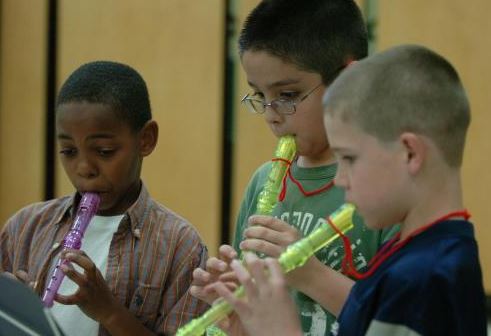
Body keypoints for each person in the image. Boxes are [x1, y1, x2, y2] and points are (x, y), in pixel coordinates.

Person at [212, 44, 487, 336]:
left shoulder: (424, 279)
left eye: (349, 159)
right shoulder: (411, 259)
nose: (340, 179)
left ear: (409, 153)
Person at [191, 0, 397, 334]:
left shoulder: (388, 186)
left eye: (287, 94)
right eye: (259, 95)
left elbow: (397, 324)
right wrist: (238, 312)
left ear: (349, 80)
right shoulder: (263, 183)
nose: (272, 114)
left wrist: (310, 275)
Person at [0, 61, 209, 336]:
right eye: (69, 151)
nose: (84, 168)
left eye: (104, 151)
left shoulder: (181, 247)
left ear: (146, 139)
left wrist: (109, 311)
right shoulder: (24, 228)